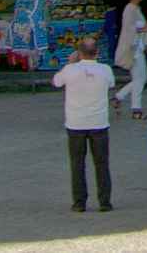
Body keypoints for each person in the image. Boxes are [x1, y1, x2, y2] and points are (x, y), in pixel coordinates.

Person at [55, 38, 117, 214]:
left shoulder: (70, 70)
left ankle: (79, 202)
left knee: (77, 163)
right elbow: (111, 84)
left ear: (79, 53)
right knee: (102, 163)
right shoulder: (105, 70)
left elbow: (56, 82)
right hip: (99, 122)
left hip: (76, 123)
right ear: (97, 52)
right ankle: (105, 201)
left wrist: (70, 63)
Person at [115, 0, 147, 119]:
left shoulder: (136, 9)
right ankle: (136, 108)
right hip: (133, 50)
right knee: (140, 79)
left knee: (141, 78)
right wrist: (144, 28)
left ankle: (119, 96)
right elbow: (128, 28)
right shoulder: (129, 9)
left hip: (138, 48)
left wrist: (146, 43)